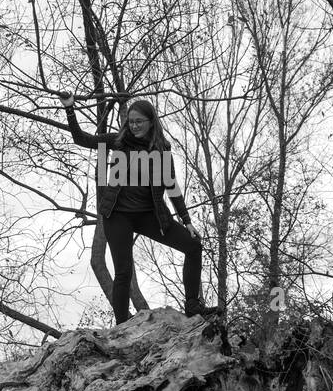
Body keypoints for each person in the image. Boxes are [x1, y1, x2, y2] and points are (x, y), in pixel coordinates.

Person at [58, 90, 220, 324]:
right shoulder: (116, 141)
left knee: (193, 246)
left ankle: (193, 307)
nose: (133, 126)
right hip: (118, 215)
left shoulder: (162, 150)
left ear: (151, 122)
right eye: (130, 122)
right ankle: (122, 326)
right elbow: (81, 139)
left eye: (138, 122)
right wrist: (69, 108)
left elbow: (172, 187)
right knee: (124, 272)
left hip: (148, 215)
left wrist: (187, 221)